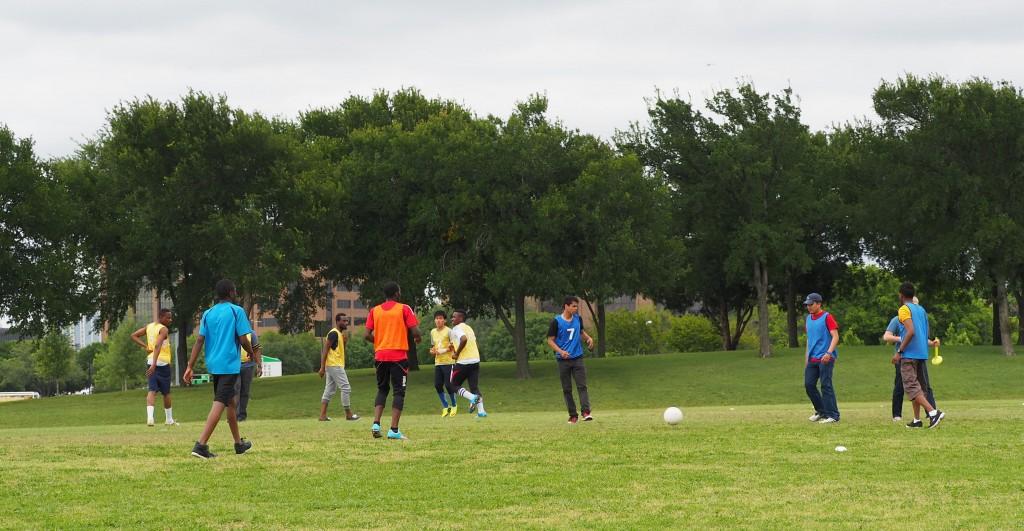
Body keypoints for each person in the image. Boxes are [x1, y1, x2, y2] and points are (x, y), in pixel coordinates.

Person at [184, 279, 258, 458]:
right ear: (231, 293)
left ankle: (238, 444)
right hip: (229, 364)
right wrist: (252, 353)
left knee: (230, 402)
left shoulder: (208, 313)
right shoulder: (236, 311)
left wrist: (189, 366)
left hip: (214, 364)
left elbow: (200, 340)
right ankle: (201, 445)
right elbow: (243, 339)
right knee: (220, 402)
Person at [364, 282, 421, 440]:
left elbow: (366, 334)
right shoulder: (404, 308)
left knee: (382, 389)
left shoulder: (374, 311)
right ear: (396, 294)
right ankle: (394, 430)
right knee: (399, 392)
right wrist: (418, 337)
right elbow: (415, 330)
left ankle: (376, 424)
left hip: (380, 356)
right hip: (398, 356)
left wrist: (379, 342)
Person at [894, 282, 945, 428]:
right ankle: (917, 421)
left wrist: (899, 351)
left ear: (901, 295)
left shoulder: (904, 309)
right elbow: (925, 333)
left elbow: (910, 332)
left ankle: (933, 412)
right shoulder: (921, 310)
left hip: (909, 354)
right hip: (922, 353)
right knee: (919, 388)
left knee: (911, 387)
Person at [883, 296, 939, 422]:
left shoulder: (919, 318)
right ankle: (897, 414)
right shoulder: (897, 319)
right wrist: (902, 339)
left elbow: (920, 338)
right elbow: (886, 337)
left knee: (922, 387)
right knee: (902, 386)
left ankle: (925, 415)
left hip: (918, 356)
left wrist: (932, 343)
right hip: (904, 356)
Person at [546, 296, 595, 424]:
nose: (576, 308)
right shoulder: (556, 322)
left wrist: (589, 338)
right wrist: (561, 352)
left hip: (577, 358)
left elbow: (581, 333)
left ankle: (586, 412)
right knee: (567, 389)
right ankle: (573, 415)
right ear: (566, 306)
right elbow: (550, 340)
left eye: (576, 306)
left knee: (582, 386)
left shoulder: (578, 319)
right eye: (573, 306)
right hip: (563, 361)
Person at [130, 308, 177, 427]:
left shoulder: (149, 326)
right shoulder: (164, 329)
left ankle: (150, 418)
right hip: (161, 362)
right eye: (168, 317)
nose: (170, 320)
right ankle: (169, 419)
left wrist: (145, 346)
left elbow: (134, 335)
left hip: (150, 360)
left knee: (152, 390)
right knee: (166, 392)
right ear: (161, 317)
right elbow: (157, 345)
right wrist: (155, 364)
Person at [803, 293, 840, 424]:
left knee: (826, 385)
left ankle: (833, 415)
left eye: (811, 304)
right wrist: (807, 357)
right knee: (809, 385)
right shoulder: (808, 319)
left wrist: (829, 353)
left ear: (819, 304)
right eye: (807, 305)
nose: (809, 307)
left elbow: (835, 336)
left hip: (826, 358)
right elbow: (809, 339)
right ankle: (821, 411)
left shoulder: (827, 317)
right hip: (812, 359)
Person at [318, 312, 359, 421]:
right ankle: (348, 414)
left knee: (329, 390)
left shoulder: (340, 335)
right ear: (337, 322)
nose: (346, 322)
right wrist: (322, 367)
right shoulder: (333, 333)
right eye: (344, 321)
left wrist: (344, 343)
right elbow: (325, 350)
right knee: (346, 388)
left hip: (334, 365)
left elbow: (339, 351)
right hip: (334, 365)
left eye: (347, 321)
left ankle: (322, 415)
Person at [447, 309, 486, 418]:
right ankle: (481, 412)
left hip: (464, 362)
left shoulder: (457, 328)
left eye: (454, 317)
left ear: (461, 318)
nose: (452, 319)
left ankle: (472, 398)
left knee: (452, 385)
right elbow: (474, 344)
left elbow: (463, 340)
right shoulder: (469, 328)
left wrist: (457, 354)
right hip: (475, 361)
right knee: (474, 386)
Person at [429, 310, 458, 417]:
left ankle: (454, 405)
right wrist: (432, 351)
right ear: (434, 320)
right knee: (437, 385)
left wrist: (443, 351)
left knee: (448, 385)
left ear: (445, 320)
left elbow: (453, 346)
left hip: (449, 362)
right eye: (437, 318)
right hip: (438, 363)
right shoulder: (432, 332)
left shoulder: (449, 331)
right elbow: (433, 346)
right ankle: (446, 406)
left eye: (441, 318)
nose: (438, 320)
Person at [236, 329, 261, 422]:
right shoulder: (232, 331)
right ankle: (234, 415)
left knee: (245, 391)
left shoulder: (251, 333)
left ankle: (242, 416)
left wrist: (259, 365)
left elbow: (257, 349)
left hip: (248, 366)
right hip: (234, 366)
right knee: (236, 390)